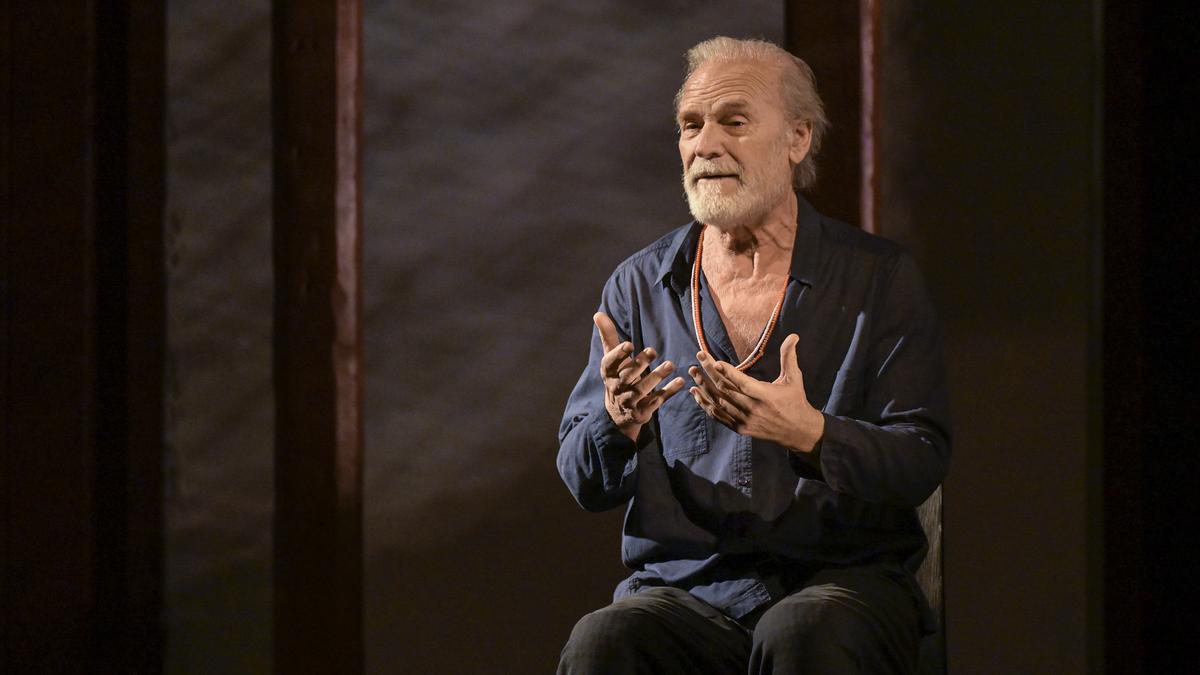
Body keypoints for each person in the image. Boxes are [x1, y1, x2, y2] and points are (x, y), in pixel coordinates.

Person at [556, 36, 950, 674]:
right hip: (687, 593)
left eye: (733, 122)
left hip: (839, 583)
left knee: (804, 632)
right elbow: (582, 480)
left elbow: (920, 459)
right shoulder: (637, 286)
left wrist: (812, 433)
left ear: (797, 138)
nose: (705, 144)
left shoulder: (877, 280)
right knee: (604, 643)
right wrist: (616, 424)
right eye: (691, 125)